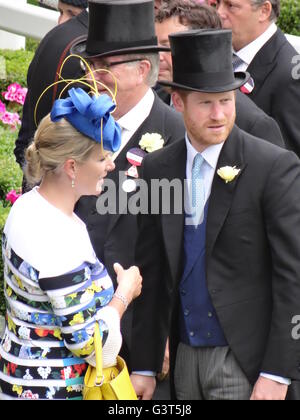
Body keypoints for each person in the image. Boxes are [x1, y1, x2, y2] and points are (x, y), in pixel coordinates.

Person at [130, 29, 300, 400]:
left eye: (226, 100)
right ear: (178, 101)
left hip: (247, 363)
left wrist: (278, 372)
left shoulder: (273, 166)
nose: (219, 114)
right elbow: (151, 269)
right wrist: (143, 365)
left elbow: (294, 275)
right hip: (183, 361)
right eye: (206, 103)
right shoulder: (158, 168)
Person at [0, 86, 142, 400]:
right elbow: (92, 347)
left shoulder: (28, 207)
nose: (111, 166)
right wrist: (123, 294)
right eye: (103, 157)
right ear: (72, 166)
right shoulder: (54, 234)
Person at [71, 0, 185, 371]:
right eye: (92, 65)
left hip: (140, 333)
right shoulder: (74, 126)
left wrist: (165, 334)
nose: (93, 76)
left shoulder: (176, 137)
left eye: (106, 67)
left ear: (142, 70)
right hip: (74, 323)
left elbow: (181, 247)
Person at [155, 0, 284, 147]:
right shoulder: (157, 99)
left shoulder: (253, 125)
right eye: (155, 45)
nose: (158, 56)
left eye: (167, 46)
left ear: (202, 48)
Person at [14, 8, 89, 190]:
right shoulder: (87, 48)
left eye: (70, 13)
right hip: (59, 190)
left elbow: (24, 139)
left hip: (37, 182)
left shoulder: (54, 35)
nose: (62, 20)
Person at [216, 0, 300, 156]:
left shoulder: (289, 75)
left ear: (264, 11)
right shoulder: (221, 55)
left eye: (231, 6)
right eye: (218, 3)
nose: (219, 13)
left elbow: (291, 162)